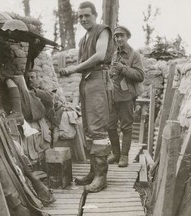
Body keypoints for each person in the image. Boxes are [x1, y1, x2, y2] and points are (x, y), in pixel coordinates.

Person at [59, 1, 114, 193]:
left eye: (87, 16)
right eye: (80, 16)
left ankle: (101, 176)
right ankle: (93, 171)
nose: (83, 19)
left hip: (98, 80)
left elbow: (99, 56)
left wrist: (74, 68)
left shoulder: (102, 31)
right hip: (87, 82)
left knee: (98, 127)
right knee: (89, 128)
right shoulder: (84, 39)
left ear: (95, 15)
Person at [107, 25, 144, 167]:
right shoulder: (115, 54)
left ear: (127, 37)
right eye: (116, 36)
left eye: (121, 35)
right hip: (112, 96)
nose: (118, 38)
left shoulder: (134, 54)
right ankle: (115, 153)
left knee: (126, 127)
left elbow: (140, 75)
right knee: (110, 126)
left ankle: (124, 156)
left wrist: (123, 68)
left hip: (126, 96)